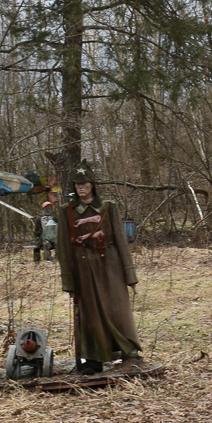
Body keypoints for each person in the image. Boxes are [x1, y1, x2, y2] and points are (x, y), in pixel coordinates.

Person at [56, 160, 142, 374]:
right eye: (77, 185)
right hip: (83, 269)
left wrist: (129, 275)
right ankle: (94, 358)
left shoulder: (107, 207)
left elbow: (122, 241)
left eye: (85, 183)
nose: (81, 188)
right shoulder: (66, 211)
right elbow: (64, 247)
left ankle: (129, 352)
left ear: (92, 184)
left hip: (110, 264)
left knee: (118, 310)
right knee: (90, 314)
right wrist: (68, 279)